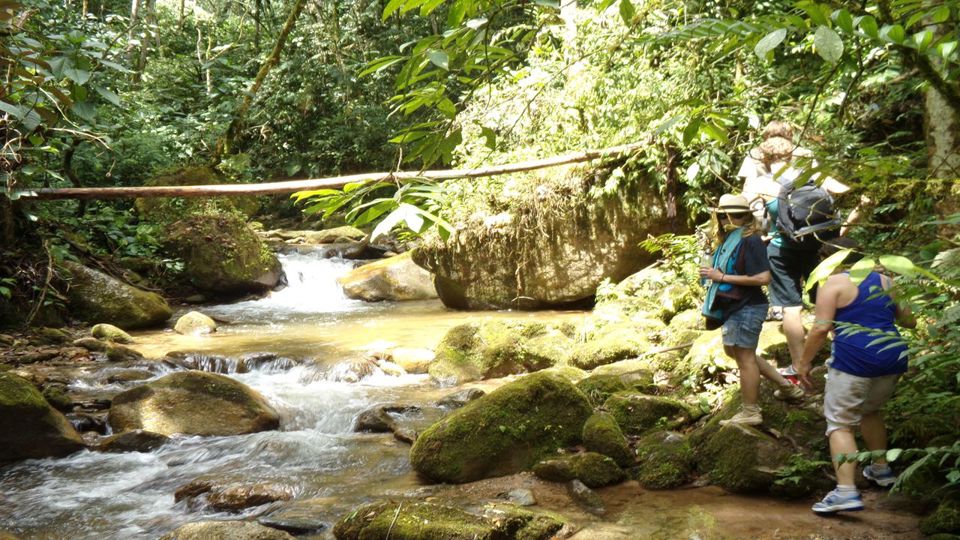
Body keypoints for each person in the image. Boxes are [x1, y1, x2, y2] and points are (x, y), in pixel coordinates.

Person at [794, 238, 917, 514]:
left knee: (840, 423)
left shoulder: (833, 284)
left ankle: (846, 492)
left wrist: (803, 363)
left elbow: (820, 328)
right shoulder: (887, 282)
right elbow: (910, 320)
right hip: (892, 356)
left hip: (855, 359)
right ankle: (881, 469)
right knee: (871, 411)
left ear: (830, 260)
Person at [700, 194, 805, 426]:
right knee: (734, 352)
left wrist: (722, 276)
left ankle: (751, 411)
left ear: (725, 214)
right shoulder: (732, 237)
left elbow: (763, 277)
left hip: (747, 307)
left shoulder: (751, 240)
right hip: (735, 306)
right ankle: (787, 387)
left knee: (744, 358)